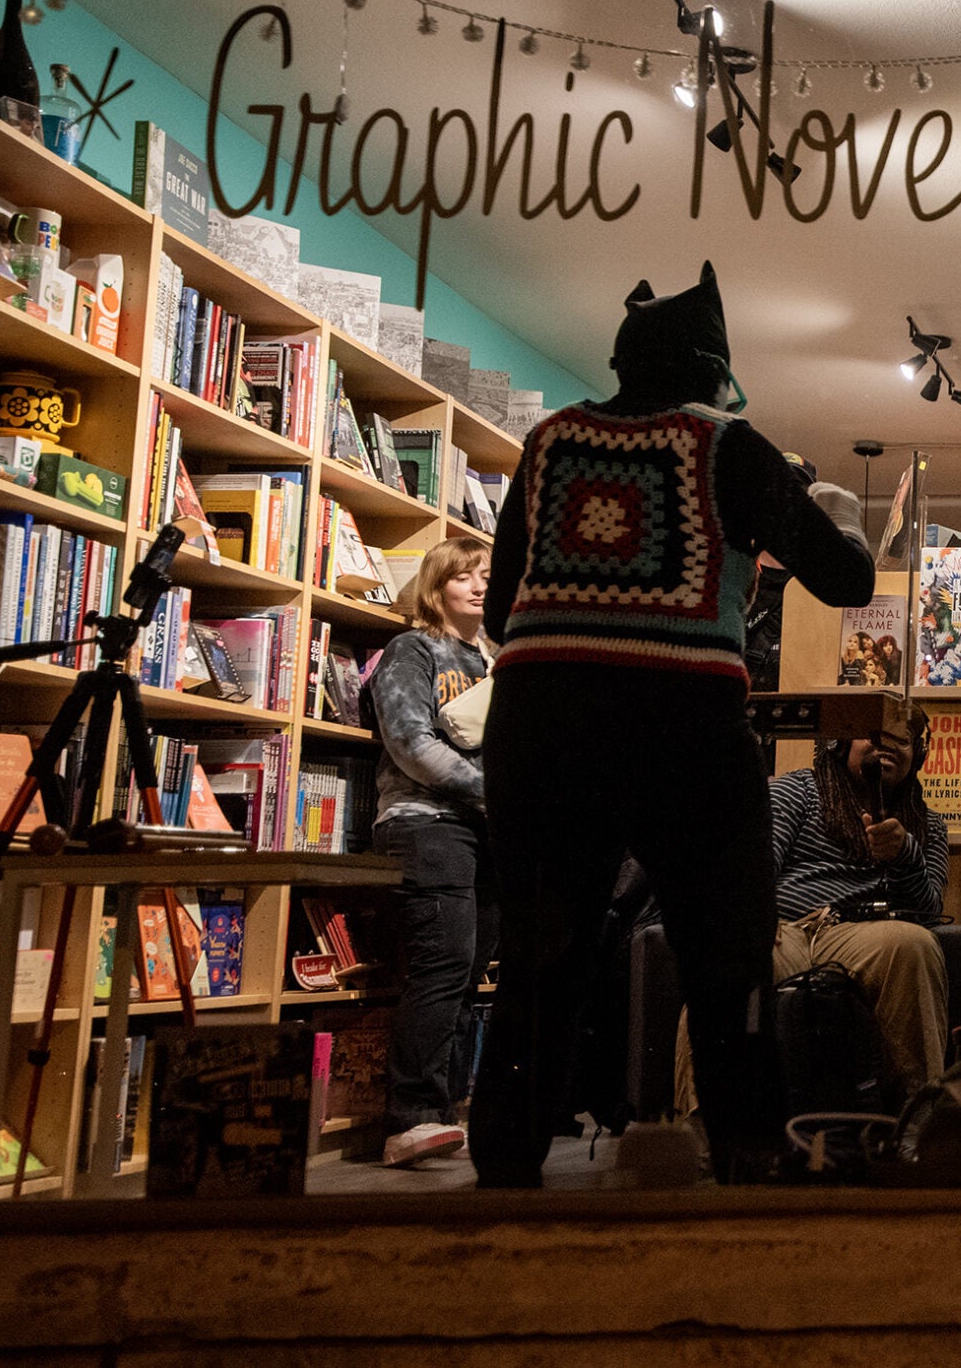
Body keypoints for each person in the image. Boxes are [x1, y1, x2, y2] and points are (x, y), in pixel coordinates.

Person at [475, 262, 876, 1187]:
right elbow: (847, 582)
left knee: (542, 953)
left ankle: (505, 1164)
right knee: (725, 951)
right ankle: (745, 1146)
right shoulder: (729, 446)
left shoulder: (549, 441)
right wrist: (835, 522)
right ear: (712, 368)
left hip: (540, 731)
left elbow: (502, 613)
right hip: (682, 730)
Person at [367, 536, 498, 1169]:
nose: (479, 586)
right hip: (426, 822)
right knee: (444, 964)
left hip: (490, 830)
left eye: (487, 576)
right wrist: (495, 793)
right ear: (436, 585)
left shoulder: (496, 659)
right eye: (464, 576)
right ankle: (409, 1118)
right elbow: (410, 743)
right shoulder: (412, 649)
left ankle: (443, 1111)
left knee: (471, 972)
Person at [766, 701, 951, 1096]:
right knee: (738, 949)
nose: (885, 747)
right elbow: (756, 872)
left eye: (900, 740)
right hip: (785, 927)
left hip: (863, 934)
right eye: (873, 736)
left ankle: (916, 1114)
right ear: (840, 745)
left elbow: (929, 911)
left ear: (917, 755)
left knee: (914, 943)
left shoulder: (929, 825)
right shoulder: (794, 791)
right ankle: (708, 1124)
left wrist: (905, 855)